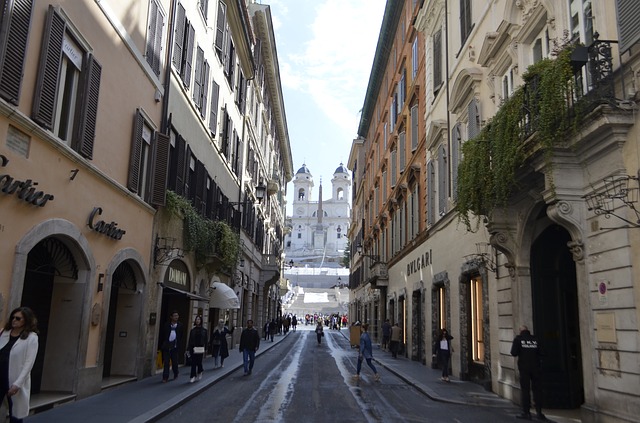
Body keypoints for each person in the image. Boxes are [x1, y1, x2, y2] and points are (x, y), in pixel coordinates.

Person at [0, 307, 38, 423]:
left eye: (18, 318)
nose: (14, 320)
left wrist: (18, 384)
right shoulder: (3, 333)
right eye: (13, 317)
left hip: (14, 379)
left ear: (26, 321)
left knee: (15, 414)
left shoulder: (31, 338)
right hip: (0, 376)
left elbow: (28, 363)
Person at [511, 325, 545, 420]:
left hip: (524, 368)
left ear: (520, 331)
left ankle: (526, 412)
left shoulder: (518, 339)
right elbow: (542, 352)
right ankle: (539, 412)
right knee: (537, 390)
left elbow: (513, 353)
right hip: (536, 368)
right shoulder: (536, 339)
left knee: (525, 390)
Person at [160, 311, 183, 383]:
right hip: (167, 346)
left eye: (177, 315)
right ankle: (165, 377)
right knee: (166, 362)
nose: (176, 317)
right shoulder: (167, 325)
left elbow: (181, 335)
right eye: (175, 315)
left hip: (175, 347)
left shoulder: (180, 325)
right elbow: (163, 334)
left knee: (174, 362)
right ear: (171, 317)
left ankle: (176, 372)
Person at [187, 315, 207, 383]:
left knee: (199, 362)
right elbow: (190, 340)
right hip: (193, 347)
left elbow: (206, 340)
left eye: (199, 319)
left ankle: (200, 371)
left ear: (201, 321)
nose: (197, 320)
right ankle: (193, 376)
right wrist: (188, 348)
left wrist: (206, 348)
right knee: (193, 362)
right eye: (196, 319)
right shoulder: (192, 330)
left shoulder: (204, 330)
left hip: (200, 347)